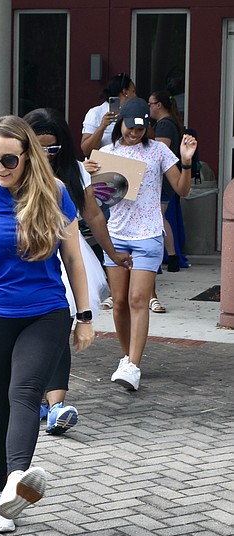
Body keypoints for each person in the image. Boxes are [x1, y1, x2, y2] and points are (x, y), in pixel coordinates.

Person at [0, 115, 94, 533]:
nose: (0, 167)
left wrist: (84, 317)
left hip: (45, 313)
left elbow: (74, 260)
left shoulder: (57, 193)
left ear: (28, 155)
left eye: (9, 159)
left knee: (25, 391)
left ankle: (14, 485)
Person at [23, 108, 129, 435]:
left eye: (52, 149)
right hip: (18, 258)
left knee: (56, 330)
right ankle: (34, 398)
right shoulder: (9, 169)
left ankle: (56, 406)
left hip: (65, 253)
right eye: (37, 148)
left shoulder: (76, 173)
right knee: (22, 334)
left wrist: (112, 254)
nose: (45, 155)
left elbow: (94, 216)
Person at [85, 97, 197, 391]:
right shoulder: (107, 153)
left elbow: (182, 190)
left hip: (148, 234)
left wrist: (185, 161)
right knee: (119, 303)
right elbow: (93, 199)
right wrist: (88, 171)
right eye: (130, 128)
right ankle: (126, 357)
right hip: (117, 234)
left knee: (137, 299)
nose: (135, 134)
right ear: (120, 123)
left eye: (141, 128)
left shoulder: (158, 150)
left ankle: (133, 365)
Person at [148, 90, 186, 314]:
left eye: (151, 104)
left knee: (160, 218)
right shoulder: (171, 122)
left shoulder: (163, 126)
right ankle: (172, 256)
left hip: (163, 181)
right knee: (162, 217)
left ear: (159, 105)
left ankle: (172, 256)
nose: (149, 108)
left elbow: (159, 149)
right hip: (167, 180)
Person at [80, 73, 136, 158]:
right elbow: (86, 150)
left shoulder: (134, 111)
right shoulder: (96, 113)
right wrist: (102, 127)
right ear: (125, 92)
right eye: (133, 91)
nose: (135, 96)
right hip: (104, 163)